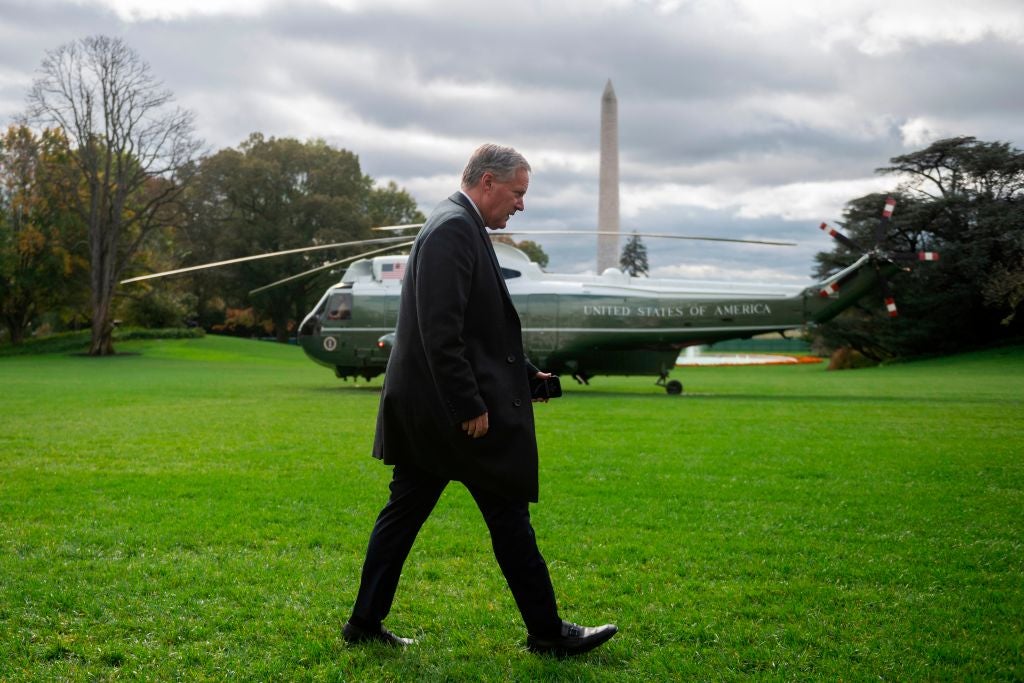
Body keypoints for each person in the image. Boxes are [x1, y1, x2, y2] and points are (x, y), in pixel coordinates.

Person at [343, 143, 617, 657]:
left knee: (405, 517)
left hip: (432, 417)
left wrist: (528, 373)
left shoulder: (460, 225)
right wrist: (468, 405)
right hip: (453, 420)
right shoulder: (452, 229)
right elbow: (440, 332)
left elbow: (477, 329)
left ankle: (364, 623)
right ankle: (547, 632)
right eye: (517, 193)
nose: (521, 205)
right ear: (487, 182)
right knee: (507, 516)